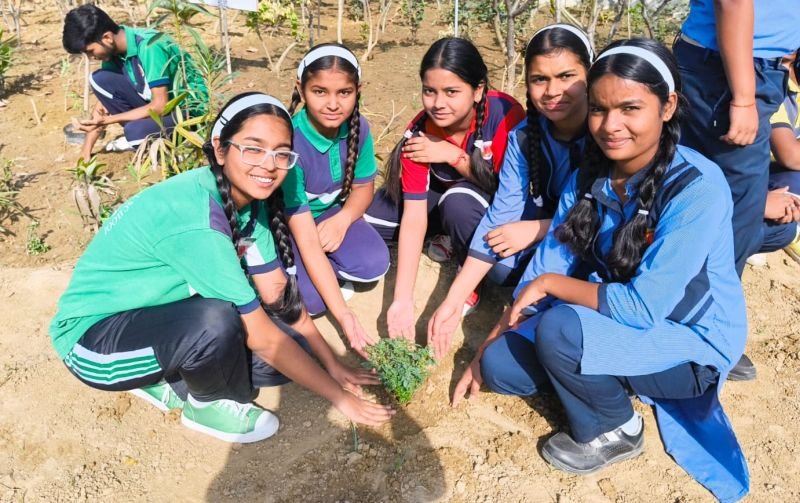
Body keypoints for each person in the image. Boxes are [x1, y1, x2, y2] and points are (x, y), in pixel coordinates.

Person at [452, 39, 750, 502]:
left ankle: (615, 430)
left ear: (667, 106)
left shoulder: (697, 187)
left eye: (630, 108)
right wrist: (489, 341)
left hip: (689, 338)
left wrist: (552, 287)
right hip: (617, 322)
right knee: (501, 368)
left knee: (560, 330)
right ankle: (599, 375)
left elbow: (642, 306)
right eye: (599, 109)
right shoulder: (589, 176)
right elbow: (547, 265)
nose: (611, 126)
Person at [49, 93, 394, 444]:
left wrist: (330, 362)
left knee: (285, 360)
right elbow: (259, 334)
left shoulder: (245, 203)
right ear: (220, 148)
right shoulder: (199, 218)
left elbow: (277, 292)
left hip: (154, 315)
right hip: (93, 344)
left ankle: (168, 377)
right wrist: (342, 399)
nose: (269, 164)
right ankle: (205, 405)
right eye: (253, 148)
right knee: (217, 323)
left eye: (281, 152)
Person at [428, 24, 593, 358]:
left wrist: (536, 228)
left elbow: (606, 217)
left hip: (594, 240)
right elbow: (501, 211)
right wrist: (453, 299)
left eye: (565, 76)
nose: (552, 90)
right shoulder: (524, 136)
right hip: (559, 233)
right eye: (539, 79)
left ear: (589, 75)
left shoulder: (608, 134)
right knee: (499, 261)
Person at [364, 37, 525, 337]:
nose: (438, 103)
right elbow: (413, 215)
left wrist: (452, 155)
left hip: (487, 202)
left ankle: (469, 280)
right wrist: (401, 300)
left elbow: (509, 194)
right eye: (430, 91)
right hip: (440, 197)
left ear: (478, 90)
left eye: (452, 92)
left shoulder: (506, 116)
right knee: (371, 221)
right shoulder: (420, 133)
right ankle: (444, 235)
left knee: (458, 201)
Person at [674, 0, 800, 380]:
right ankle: (703, 333)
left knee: (720, 199)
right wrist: (743, 97)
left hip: (742, 65)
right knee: (737, 209)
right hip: (733, 69)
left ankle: (692, 320)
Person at [281, 44, 389, 356]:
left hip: (330, 215)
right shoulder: (290, 141)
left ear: (358, 91)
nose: (332, 104)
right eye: (319, 92)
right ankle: (309, 270)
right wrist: (344, 315)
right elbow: (303, 230)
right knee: (312, 303)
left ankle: (319, 269)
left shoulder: (359, 128)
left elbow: (363, 188)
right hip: (292, 224)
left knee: (374, 266)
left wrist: (342, 220)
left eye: (344, 92)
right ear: (300, 90)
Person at [62, 4, 208, 161]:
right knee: (99, 79)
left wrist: (108, 120)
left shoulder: (150, 46)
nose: (90, 57)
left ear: (107, 38)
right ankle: (149, 134)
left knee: (134, 132)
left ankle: (178, 153)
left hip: (189, 113)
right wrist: (86, 151)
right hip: (162, 111)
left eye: (90, 51)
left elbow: (161, 105)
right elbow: (103, 107)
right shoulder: (115, 52)